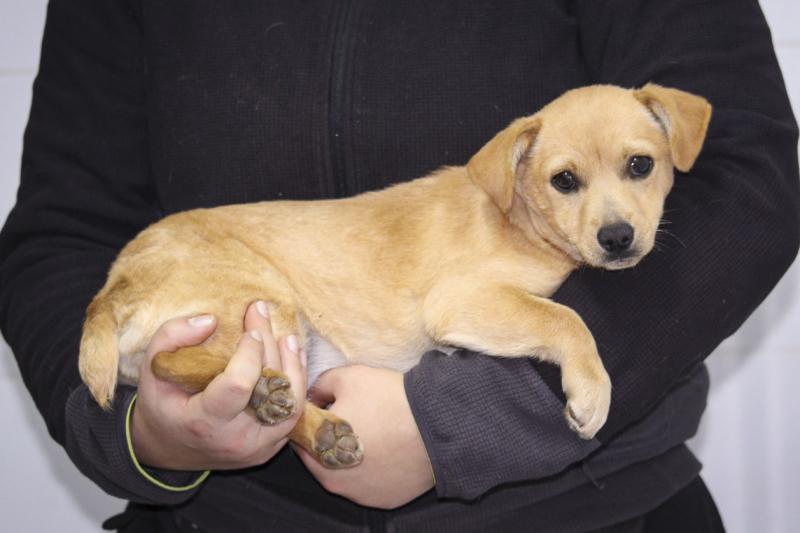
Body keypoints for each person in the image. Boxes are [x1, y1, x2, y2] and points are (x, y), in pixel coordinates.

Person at [0, 0, 797, 531]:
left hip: (597, 509)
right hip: (224, 508)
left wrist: (466, 421)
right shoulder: (501, 190)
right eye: (567, 180)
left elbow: (751, 173)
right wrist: (140, 433)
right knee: (242, 314)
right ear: (519, 173)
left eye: (637, 168)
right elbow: (58, 235)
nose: (613, 215)